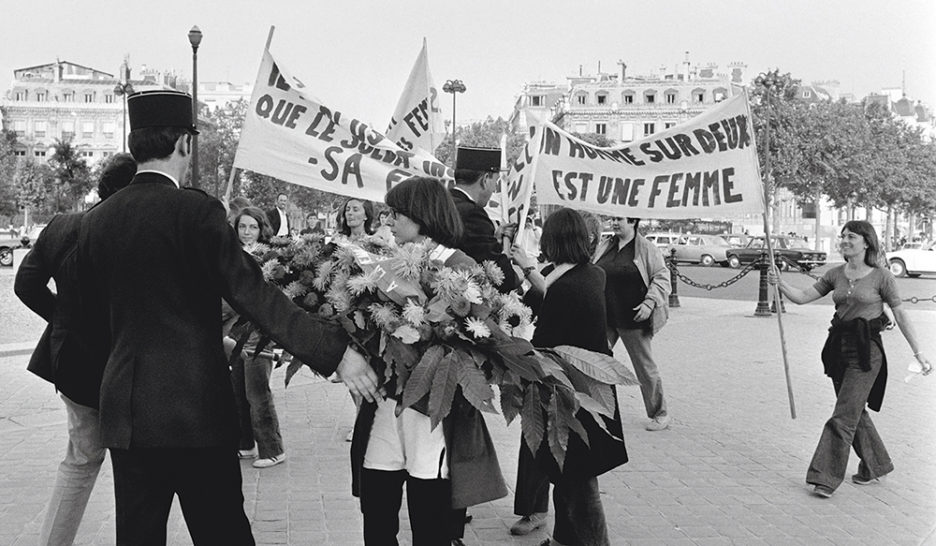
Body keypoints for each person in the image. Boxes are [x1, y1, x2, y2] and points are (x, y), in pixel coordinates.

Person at [77, 89, 379, 545]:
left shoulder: (97, 221)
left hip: (127, 412)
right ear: (185, 143)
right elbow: (254, 294)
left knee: (137, 535)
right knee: (221, 531)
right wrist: (336, 354)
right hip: (194, 408)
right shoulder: (196, 211)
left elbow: (91, 320)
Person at [350, 177, 508, 546]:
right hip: (387, 404)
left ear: (421, 215)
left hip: (432, 411)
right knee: (376, 508)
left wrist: (431, 326)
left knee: (430, 521)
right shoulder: (386, 261)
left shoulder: (458, 264)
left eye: (396, 213)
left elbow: (480, 332)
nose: (388, 221)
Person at [14, 152, 137, 546]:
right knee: (137, 471)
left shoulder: (63, 226)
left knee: (81, 460)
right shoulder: (137, 230)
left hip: (74, 364)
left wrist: (66, 320)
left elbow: (25, 285)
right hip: (129, 363)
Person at [769, 220, 931, 498]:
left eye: (851, 236)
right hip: (838, 349)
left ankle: (824, 477)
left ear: (866, 242)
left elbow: (901, 314)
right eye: (842, 236)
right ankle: (876, 465)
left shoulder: (882, 276)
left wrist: (919, 352)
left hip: (867, 352)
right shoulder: (835, 274)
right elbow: (803, 297)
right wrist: (780, 284)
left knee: (843, 415)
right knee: (854, 411)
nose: (844, 240)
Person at [512, 208, 627, 546]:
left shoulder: (569, 284)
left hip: (573, 392)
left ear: (554, 240)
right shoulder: (589, 274)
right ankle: (565, 540)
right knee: (567, 474)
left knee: (579, 482)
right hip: (588, 389)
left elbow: (543, 341)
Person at [593, 217, 672, 431]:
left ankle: (660, 413)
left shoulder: (645, 248)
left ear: (633, 222)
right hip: (606, 316)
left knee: (645, 367)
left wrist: (649, 302)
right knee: (594, 360)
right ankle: (595, 408)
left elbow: (662, 277)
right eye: (613, 219)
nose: (615, 223)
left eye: (619, 219)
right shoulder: (605, 245)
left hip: (634, 318)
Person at [223, 207, 287, 469]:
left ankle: (272, 448)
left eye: (253, 227)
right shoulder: (230, 255)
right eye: (242, 227)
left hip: (259, 331)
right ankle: (245, 443)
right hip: (233, 330)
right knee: (237, 390)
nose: (247, 232)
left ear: (262, 229)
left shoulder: (271, 257)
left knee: (257, 393)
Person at [449, 146, 519, 294]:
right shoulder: (473, 214)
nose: (494, 189)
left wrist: (495, 240)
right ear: (485, 179)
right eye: (495, 181)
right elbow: (503, 277)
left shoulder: (441, 202)